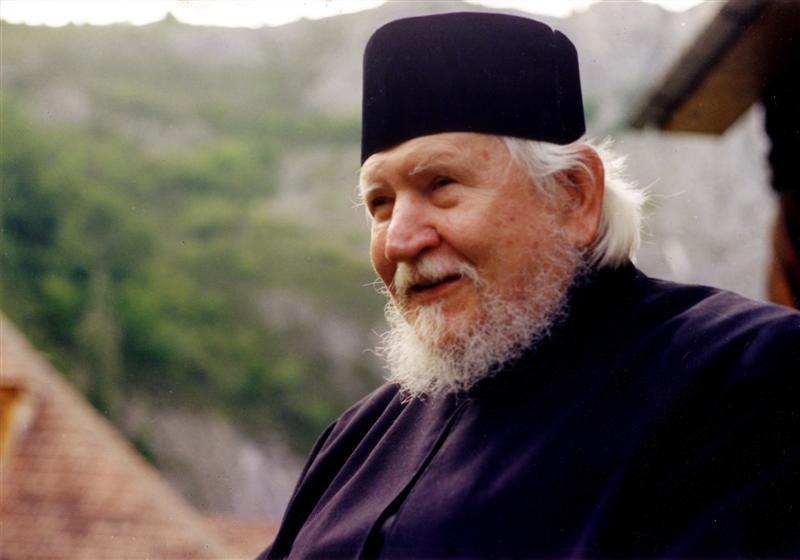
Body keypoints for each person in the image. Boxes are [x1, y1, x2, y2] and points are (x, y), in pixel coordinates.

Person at [259, 12, 800, 558]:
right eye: (381, 203)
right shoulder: (355, 440)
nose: (399, 240)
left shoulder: (748, 375)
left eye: (441, 184)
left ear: (573, 195)